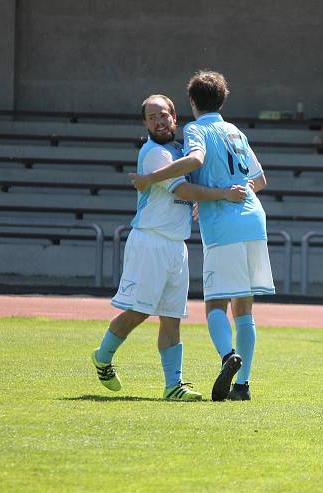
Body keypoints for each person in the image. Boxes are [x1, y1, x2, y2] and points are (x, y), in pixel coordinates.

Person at [93, 94, 247, 401]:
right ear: (145, 124)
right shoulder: (154, 154)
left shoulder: (179, 150)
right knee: (138, 312)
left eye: (163, 115)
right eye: (152, 118)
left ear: (174, 117)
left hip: (176, 244)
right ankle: (103, 356)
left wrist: (198, 202)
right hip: (150, 240)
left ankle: (173, 385)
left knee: (172, 316)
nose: (160, 122)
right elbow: (184, 188)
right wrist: (223, 195)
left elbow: (190, 186)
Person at [132, 72, 273, 401]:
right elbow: (261, 179)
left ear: (192, 102)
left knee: (215, 305)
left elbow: (195, 159)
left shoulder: (196, 129)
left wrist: (150, 178)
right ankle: (243, 386)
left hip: (224, 226)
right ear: (222, 99)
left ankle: (228, 356)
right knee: (246, 309)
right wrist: (233, 190)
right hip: (254, 218)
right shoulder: (235, 131)